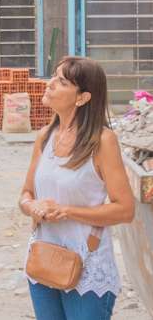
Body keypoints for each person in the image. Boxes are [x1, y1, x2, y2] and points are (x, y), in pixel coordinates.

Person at [19, 56, 135, 320]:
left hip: (87, 266)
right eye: (54, 76)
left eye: (61, 82)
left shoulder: (103, 141)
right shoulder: (45, 136)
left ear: (82, 98)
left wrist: (67, 211)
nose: (50, 84)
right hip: (43, 258)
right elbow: (26, 194)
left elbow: (125, 210)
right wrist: (32, 206)